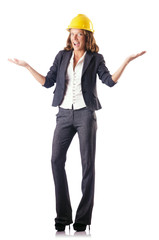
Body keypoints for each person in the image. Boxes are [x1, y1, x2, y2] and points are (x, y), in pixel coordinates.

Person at [8, 14, 146, 232]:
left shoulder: (95, 58)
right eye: (72, 34)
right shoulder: (62, 56)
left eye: (79, 34)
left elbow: (109, 82)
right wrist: (27, 67)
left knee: (87, 165)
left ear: (87, 36)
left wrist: (126, 61)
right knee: (55, 160)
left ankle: (83, 218)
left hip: (85, 115)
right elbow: (47, 83)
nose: (75, 38)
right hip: (63, 115)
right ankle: (63, 217)